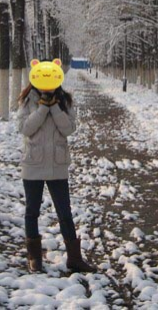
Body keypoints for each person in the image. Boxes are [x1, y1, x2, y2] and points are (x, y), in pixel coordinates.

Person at [17, 57, 97, 274]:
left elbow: (69, 129)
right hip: (33, 163)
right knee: (31, 211)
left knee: (65, 212)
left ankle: (74, 258)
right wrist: (42, 108)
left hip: (58, 164)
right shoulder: (27, 99)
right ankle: (34, 258)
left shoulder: (66, 100)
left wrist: (54, 108)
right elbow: (25, 128)